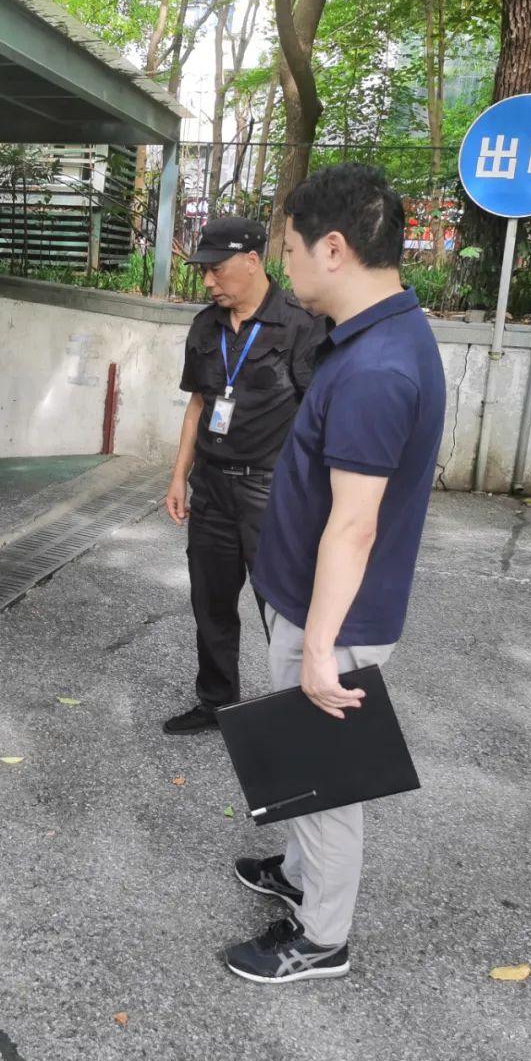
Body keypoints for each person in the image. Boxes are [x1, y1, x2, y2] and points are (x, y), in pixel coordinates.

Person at [225, 164, 446, 983]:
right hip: (309, 601)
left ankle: (321, 940)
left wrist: (319, 647)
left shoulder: (377, 370)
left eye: (288, 250)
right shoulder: (381, 337)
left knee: (326, 783)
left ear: (334, 247)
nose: (284, 267)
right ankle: (295, 875)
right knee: (301, 762)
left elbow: (353, 527)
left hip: (336, 620)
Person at [164, 218, 324, 736]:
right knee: (210, 603)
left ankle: (298, 711)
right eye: (204, 272)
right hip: (211, 488)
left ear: (252, 261)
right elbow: (197, 404)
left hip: (271, 491)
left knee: (280, 608)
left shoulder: (299, 324)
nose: (207, 282)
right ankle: (216, 702)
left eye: (216, 270)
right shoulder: (205, 326)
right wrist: (178, 476)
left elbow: (317, 414)